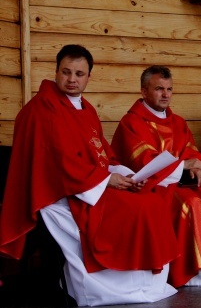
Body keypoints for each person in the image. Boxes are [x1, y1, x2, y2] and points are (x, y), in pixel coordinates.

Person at [0, 44, 179, 306]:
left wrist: (125, 173)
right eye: (67, 72)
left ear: (89, 77)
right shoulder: (41, 110)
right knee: (139, 208)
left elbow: (102, 154)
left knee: (151, 200)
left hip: (87, 185)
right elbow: (56, 164)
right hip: (58, 193)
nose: (72, 79)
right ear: (56, 71)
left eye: (79, 74)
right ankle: (116, 290)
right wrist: (107, 180)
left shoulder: (85, 109)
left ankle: (146, 286)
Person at [111, 65, 201, 287]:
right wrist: (184, 165)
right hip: (151, 188)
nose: (166, 94)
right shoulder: (131, 123)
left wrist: (197, 167)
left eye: (169, 89)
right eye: (159, 89)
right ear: (143, 91)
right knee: (192, 204)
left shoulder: (177, 121)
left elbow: (191, 151)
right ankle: (196, 273)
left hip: (181, 182)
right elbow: (143, 162)